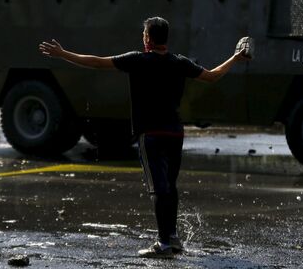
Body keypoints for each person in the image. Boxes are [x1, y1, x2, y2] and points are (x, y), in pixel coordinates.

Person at [38, 17, 250, 258]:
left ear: (148, 38)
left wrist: (63, 54)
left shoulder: (137, 60)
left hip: (151, 135)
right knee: (169, 186)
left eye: (144, 34)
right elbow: (212, 76)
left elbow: (97, 63)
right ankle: (172, 238)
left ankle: (163, 244)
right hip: (174, 132)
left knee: (159, 190)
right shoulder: (179, 62)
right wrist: (235, 57)